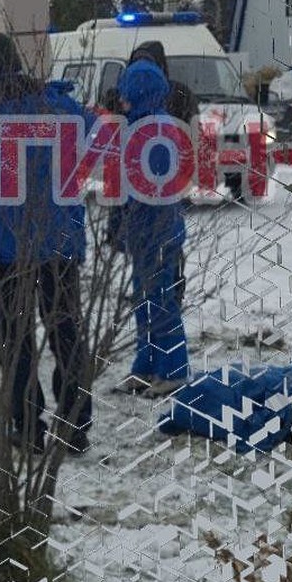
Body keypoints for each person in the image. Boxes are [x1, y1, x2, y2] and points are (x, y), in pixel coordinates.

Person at [0, 32, 95, 454]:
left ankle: (27, 427)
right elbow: (97, 145)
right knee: (65, 331)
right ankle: (74, 427)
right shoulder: (60, 109)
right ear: (18, 63)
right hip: (56, 244)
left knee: (15, 341)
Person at [110, 57, 190, 396]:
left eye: (127, 90)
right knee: (145, 300)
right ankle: (146, 366)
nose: (122, 98)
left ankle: (173, 368)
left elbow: (148, 185)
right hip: (145, 231)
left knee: (159, 300)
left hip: (155, 229)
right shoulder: (141, 125)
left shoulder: (153, 129)